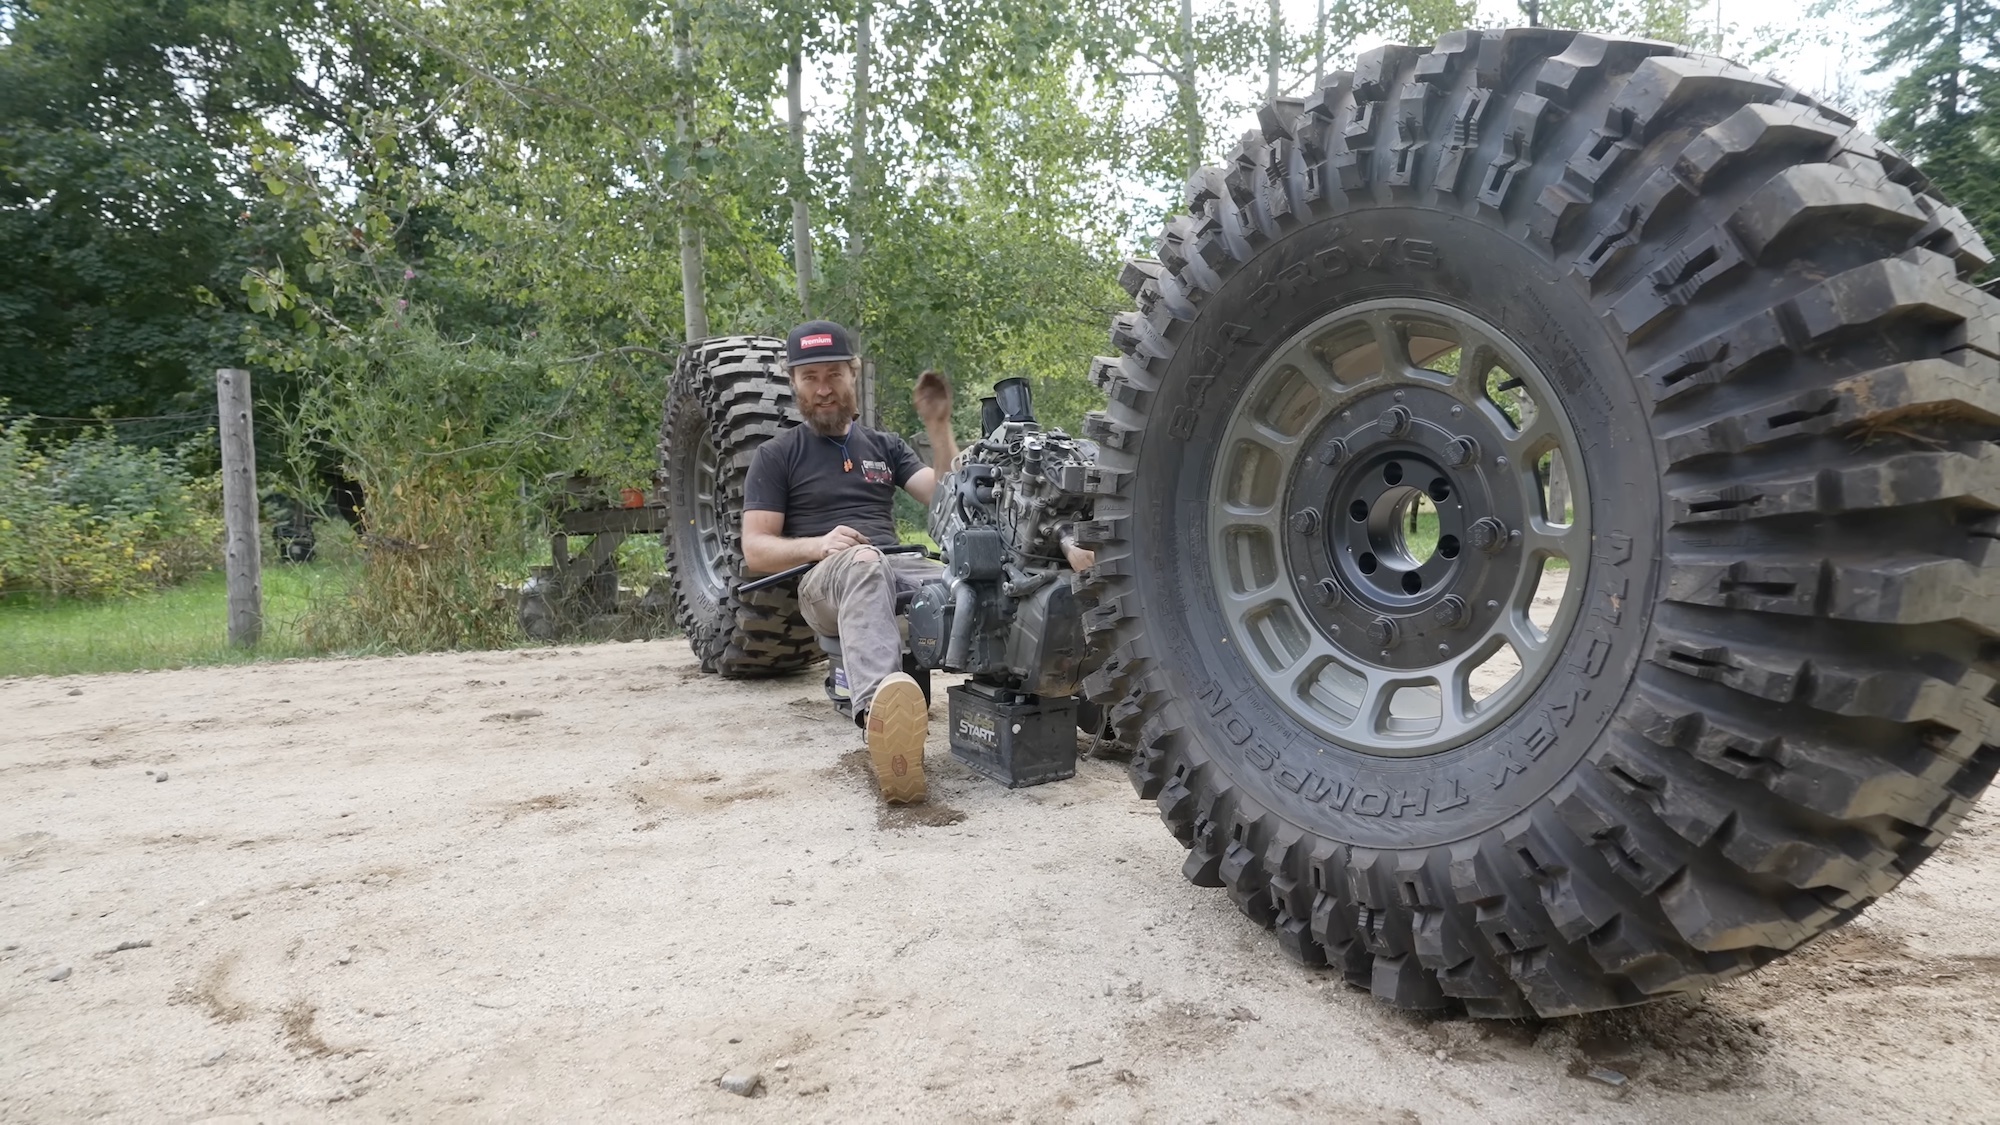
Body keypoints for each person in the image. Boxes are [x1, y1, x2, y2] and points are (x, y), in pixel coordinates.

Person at [741, 321, 958, 805]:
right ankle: (883, 726)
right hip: (826, 581)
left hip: (897, 567)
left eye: (834, 374)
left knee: (976, 570)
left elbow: (947, 503)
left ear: (854, 373)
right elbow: (756, 549)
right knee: (863, 561)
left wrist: (940, 430)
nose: (823, 389)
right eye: (810, 377)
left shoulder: (885, 447)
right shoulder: (777, 456)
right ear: (793, 383)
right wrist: (817, 545)